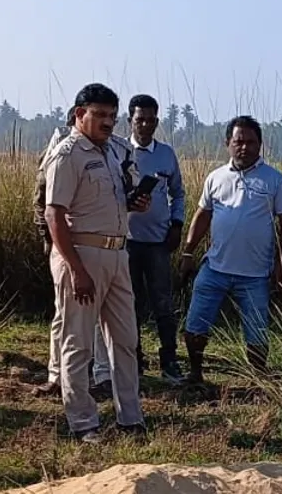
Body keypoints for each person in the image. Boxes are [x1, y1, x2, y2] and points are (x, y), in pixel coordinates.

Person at [43, 82, 150, 443]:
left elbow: (114, 200)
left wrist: (134, 203)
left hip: (118, 253)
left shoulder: (114, 153)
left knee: (125, 339)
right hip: (83, 254)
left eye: (112, 116)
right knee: (79, 342)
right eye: (100, 115)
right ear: (80, 115)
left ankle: (130, 417)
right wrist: (76, 269)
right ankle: (83, 422)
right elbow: (53, 215)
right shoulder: (68, 154)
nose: (108, 123)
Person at [179, 116, 282, 383]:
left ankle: (257, 379)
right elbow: (202, 216)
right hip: (215, 267)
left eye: (251, 142)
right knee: (196, 324)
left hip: (255, 274)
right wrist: (187, 252)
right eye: (238, 142)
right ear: (227, 144)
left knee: (256, 332)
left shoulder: (275, 180)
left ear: (260, 145)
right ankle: (195, 374)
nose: (245, 147)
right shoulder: (215, 178)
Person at [32, 107, 113, 398]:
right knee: (64, 316)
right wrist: (48, 239)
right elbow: (42, 202)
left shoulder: (109, 153)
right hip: (66, 247)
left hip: (100, 247)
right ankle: (58, 376)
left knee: (100, 317)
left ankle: (103, 375)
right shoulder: (59, 154)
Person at [124, 94, 186, 384]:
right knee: (129, 302)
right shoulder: (120, 153)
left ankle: (170, 360)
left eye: (151, 120)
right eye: (140, 120)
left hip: (159, 241)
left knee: (163, 302)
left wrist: (177, 224)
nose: (146, 125)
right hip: (126, 241)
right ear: (130, 121)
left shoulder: (166, 154)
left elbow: (178, 192)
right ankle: (133, 358)